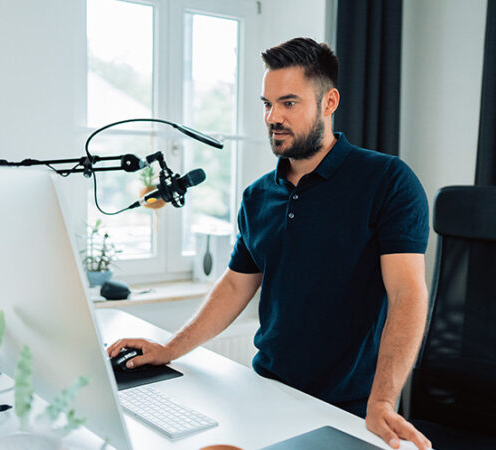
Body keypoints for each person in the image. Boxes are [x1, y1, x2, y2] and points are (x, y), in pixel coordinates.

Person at [108, 37, 432, 450]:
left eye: (289, 103)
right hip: (265, 388)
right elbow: (234, 285)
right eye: (267, 104)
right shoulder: (258, 195)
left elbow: (408, 294)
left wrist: (384, 399)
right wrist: (170, 347)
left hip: (348, 406)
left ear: (329, 102)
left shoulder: (388, 181)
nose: (273, 117)